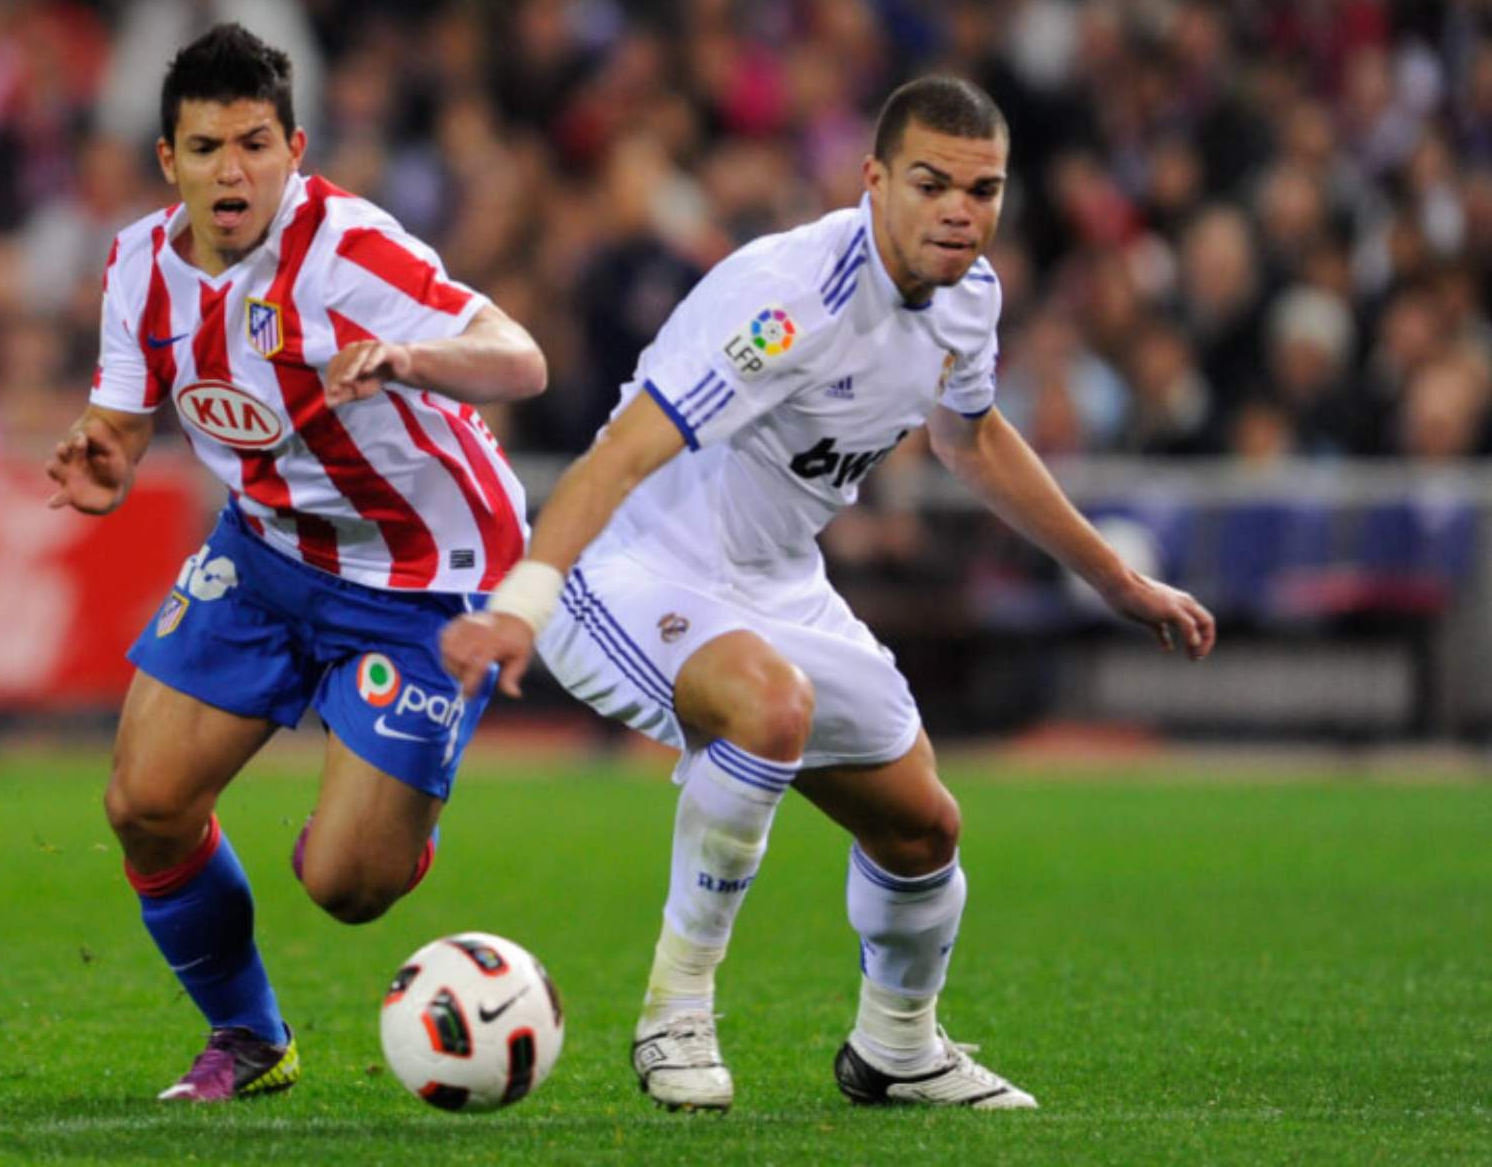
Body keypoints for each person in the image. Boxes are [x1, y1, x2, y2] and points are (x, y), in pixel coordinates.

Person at [441, 76, 1214, 1113]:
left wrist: (1114, 578)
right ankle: (674, 1014)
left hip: (776, 585)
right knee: (768, 708)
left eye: (981, 191)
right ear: (873, 180)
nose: (958, 211)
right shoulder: (784, 299)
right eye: (931, 184)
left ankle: (896, 1047)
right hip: (630, 570)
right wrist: (521, 605)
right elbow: (617, 456)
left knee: (920, 832)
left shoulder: (966, 298)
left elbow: (966, 437)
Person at [45, 24, 544, 1102]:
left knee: (347, 887)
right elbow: (122, 424)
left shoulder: (349, 251)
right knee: (143, 802)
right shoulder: (137, 264)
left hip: (424, 575)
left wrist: (414, 356)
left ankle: (392, 799)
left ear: (294, 148)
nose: (234, 170)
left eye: (257, 144)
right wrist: (102, 459)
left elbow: (521, 357)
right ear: (166, 160)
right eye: (208, 146)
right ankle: (250, 1039)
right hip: (267, 551)